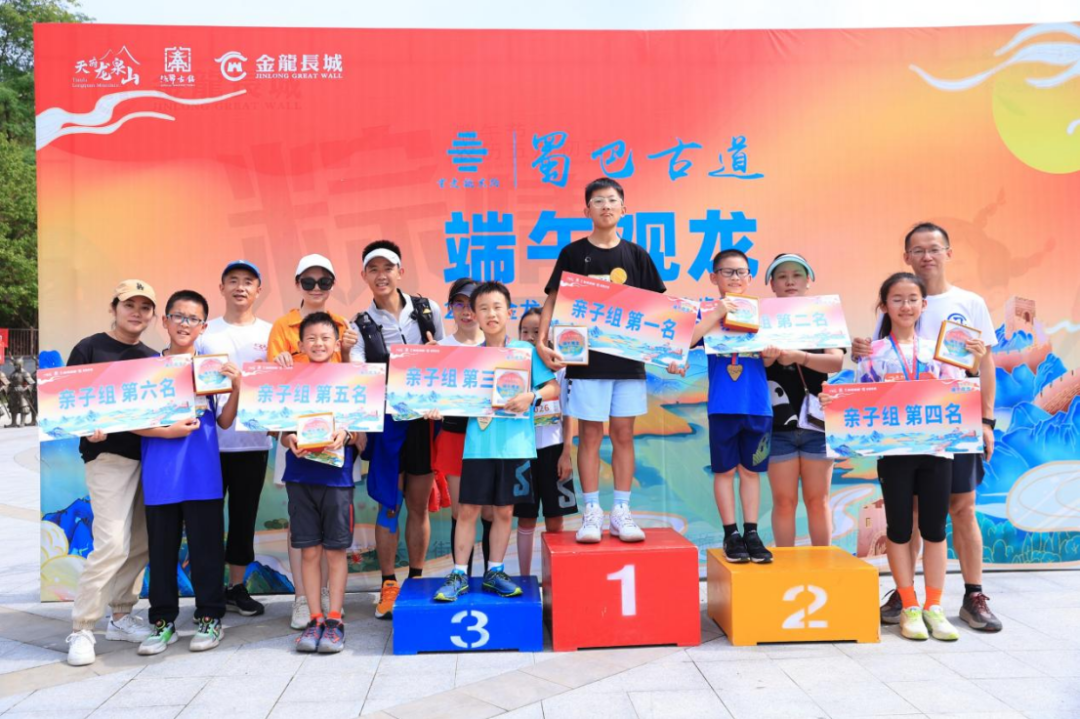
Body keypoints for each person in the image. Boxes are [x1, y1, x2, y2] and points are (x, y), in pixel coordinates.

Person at [853, 223, 1002, 632]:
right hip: (902, 443)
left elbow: (981, 365)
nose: (926, 256)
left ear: (948, 252)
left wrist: (985, 420)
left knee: (961, 508)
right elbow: (873, 374)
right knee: (909, 516)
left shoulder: (968, 303)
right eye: (918, 250)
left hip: (950, 431)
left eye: (934, 248)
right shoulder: (891, 312)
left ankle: (971, 595)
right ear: (906, 257)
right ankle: (907, 598)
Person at [824, 272, 986, 641]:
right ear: (884, 306)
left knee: (934, 529)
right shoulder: (872, 352)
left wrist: (974, 366)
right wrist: (834, 402)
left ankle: (934, 608)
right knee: (898, 529)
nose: (906, 306)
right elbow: (860, 395)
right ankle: (909, 606)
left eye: (913, 299)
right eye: (897, 299)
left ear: (923, 305)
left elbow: (958, 388)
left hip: (937, 450)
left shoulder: (940, 350)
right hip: (894, 452)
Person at [536, 178, 665, 544]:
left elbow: (657, 310)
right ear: (586, 210)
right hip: (586, 363)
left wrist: (668, 351)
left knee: (623, 434)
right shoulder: (574, 253)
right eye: (598, 201)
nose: (605, 206)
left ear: (624, 209)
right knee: (590, 434)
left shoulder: (637, 255)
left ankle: (621, 511)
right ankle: (591, 511)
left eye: (612, 200)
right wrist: (542, 341)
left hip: (628, 363)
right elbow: (554, 299)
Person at [433, 282, 559, 601]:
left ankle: (495, 571)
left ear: (509, 311)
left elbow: (553, 388)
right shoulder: (467, 358)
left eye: (497, 307)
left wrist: (531, 396)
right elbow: (445, 397)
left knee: (504, 512)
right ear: (475, 314)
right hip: (477, 447)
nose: (491, 314)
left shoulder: (525, 352)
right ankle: (458, 573)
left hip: (516, 447)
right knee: (467, 510)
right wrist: (434, 406)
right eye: (484, 308)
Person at [135, 290, 239, 655]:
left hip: (203, 473)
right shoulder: (148, 368)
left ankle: (210, 617)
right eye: (178, 316)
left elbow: (224, 421)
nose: (184, 324)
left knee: (206, 550)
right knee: (162, 552)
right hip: (160, 474)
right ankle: (162, 622)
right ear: (164, 321)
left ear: (203, 327)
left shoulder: (211, 368)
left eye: (193, 318)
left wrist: (236, 388)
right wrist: (167, 432)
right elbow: (131, 422)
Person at [348, 240, 445, 619]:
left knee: (418, 505)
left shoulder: (428, 309)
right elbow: (360, 377)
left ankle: (416, 579)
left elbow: (443, 359)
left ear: (400, 271)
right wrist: (360, 426)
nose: (381, 275)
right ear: (364, 276)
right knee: (389, 504)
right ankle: (388, 583)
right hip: (387, 425)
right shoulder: (359, 325)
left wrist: (436, 356)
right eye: (373, 269)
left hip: (423, 422)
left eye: (387, 267)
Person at [65, 280, 159, 666]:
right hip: (108, 458)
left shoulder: (153, 358)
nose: (136, 312)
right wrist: (87, 425)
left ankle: (120, 616)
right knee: (112, 544)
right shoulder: (89, 348)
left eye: (144, 307)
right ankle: (82, 626)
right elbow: (68, 401)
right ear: (114, 308)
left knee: (140, 543)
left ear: (152, 315)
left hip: (149, 458)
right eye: (128, 304)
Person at [267, 254, 357, 629]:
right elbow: (269, 392)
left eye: (324, 282)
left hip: (336, 454)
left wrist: (348, 433)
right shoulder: (281, 326)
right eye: (308, 281)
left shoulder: (343, 327)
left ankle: (330, 604)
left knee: (334, 541)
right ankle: (304, 600)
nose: (316, 288)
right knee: (303, 534)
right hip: (298, 448)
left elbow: (357, 393)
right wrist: (285, 434)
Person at [669, 250, 774, 563]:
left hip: (757, 405)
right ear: (714, 277)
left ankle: (752, 532)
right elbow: (685, 342)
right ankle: (731, 534)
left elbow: (770, 360)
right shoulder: (708, 314)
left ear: (750, 277)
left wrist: (772, 352)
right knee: (725, 471)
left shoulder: (763, 314)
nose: (735, 278)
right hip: (722, 405)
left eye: (741, 272)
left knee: (751, 471)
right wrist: (715, 313)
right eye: (727, 272)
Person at [282, 312, 366, 653]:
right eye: (311, 338)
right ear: (300, 344)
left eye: (325, 338)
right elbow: (277, 424)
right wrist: (287, 437)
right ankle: (314, 618)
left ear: (337, 343)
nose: (318, 343)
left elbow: (361, 430)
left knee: (335, 551)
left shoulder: (351, 380)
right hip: (299, 476)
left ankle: (334, 620)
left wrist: (346, 434)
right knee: (309, 550)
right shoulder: (290, 379)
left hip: (336, 479)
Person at [194, 260, 273, 618]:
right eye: (233, 281)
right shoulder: (205, 333)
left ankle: (237, 587)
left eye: (248, 282)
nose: (240, 287)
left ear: (258, 290)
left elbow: (279, 384)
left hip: (253, 442)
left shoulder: (271, 333)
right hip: (209, 442)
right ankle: (210, 591)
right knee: (208, 520)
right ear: (222, 288)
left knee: (244, 517)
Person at [762, 254, 844, 546]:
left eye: (797, 275)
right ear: (772, 284)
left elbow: (836, 361)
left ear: (808, 281)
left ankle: (823, 563)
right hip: (777, 426)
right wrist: (766, 359)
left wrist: (800, 357)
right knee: (783, 501)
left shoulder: (824, 316)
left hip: (818, 424)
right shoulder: (760, 319)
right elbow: (751, 366)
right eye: (782, 276)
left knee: (817, 500)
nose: (790, 282)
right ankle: (786, 565)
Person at [433, 277, 493, 575]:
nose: (466, 312)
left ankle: (492, 574)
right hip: (455, 435)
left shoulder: (497, 345)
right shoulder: (439, 349)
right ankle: (462, 575)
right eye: (459, 304)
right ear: (450, 308)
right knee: (461, 510)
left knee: (491, 511)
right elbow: (426, 395)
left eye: (472, 305)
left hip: (491, 436)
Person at [515, 308, 577, 575]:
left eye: (536, 331)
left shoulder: (561, 370)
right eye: (524, 331)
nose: (530, 337)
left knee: (555, 519)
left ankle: (555, 579)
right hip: (522, 451)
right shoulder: (512, 369)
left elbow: (569, 412)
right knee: (526, 518)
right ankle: (525, 578)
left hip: (554, 450)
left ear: (547, 335)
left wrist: (566, 453)